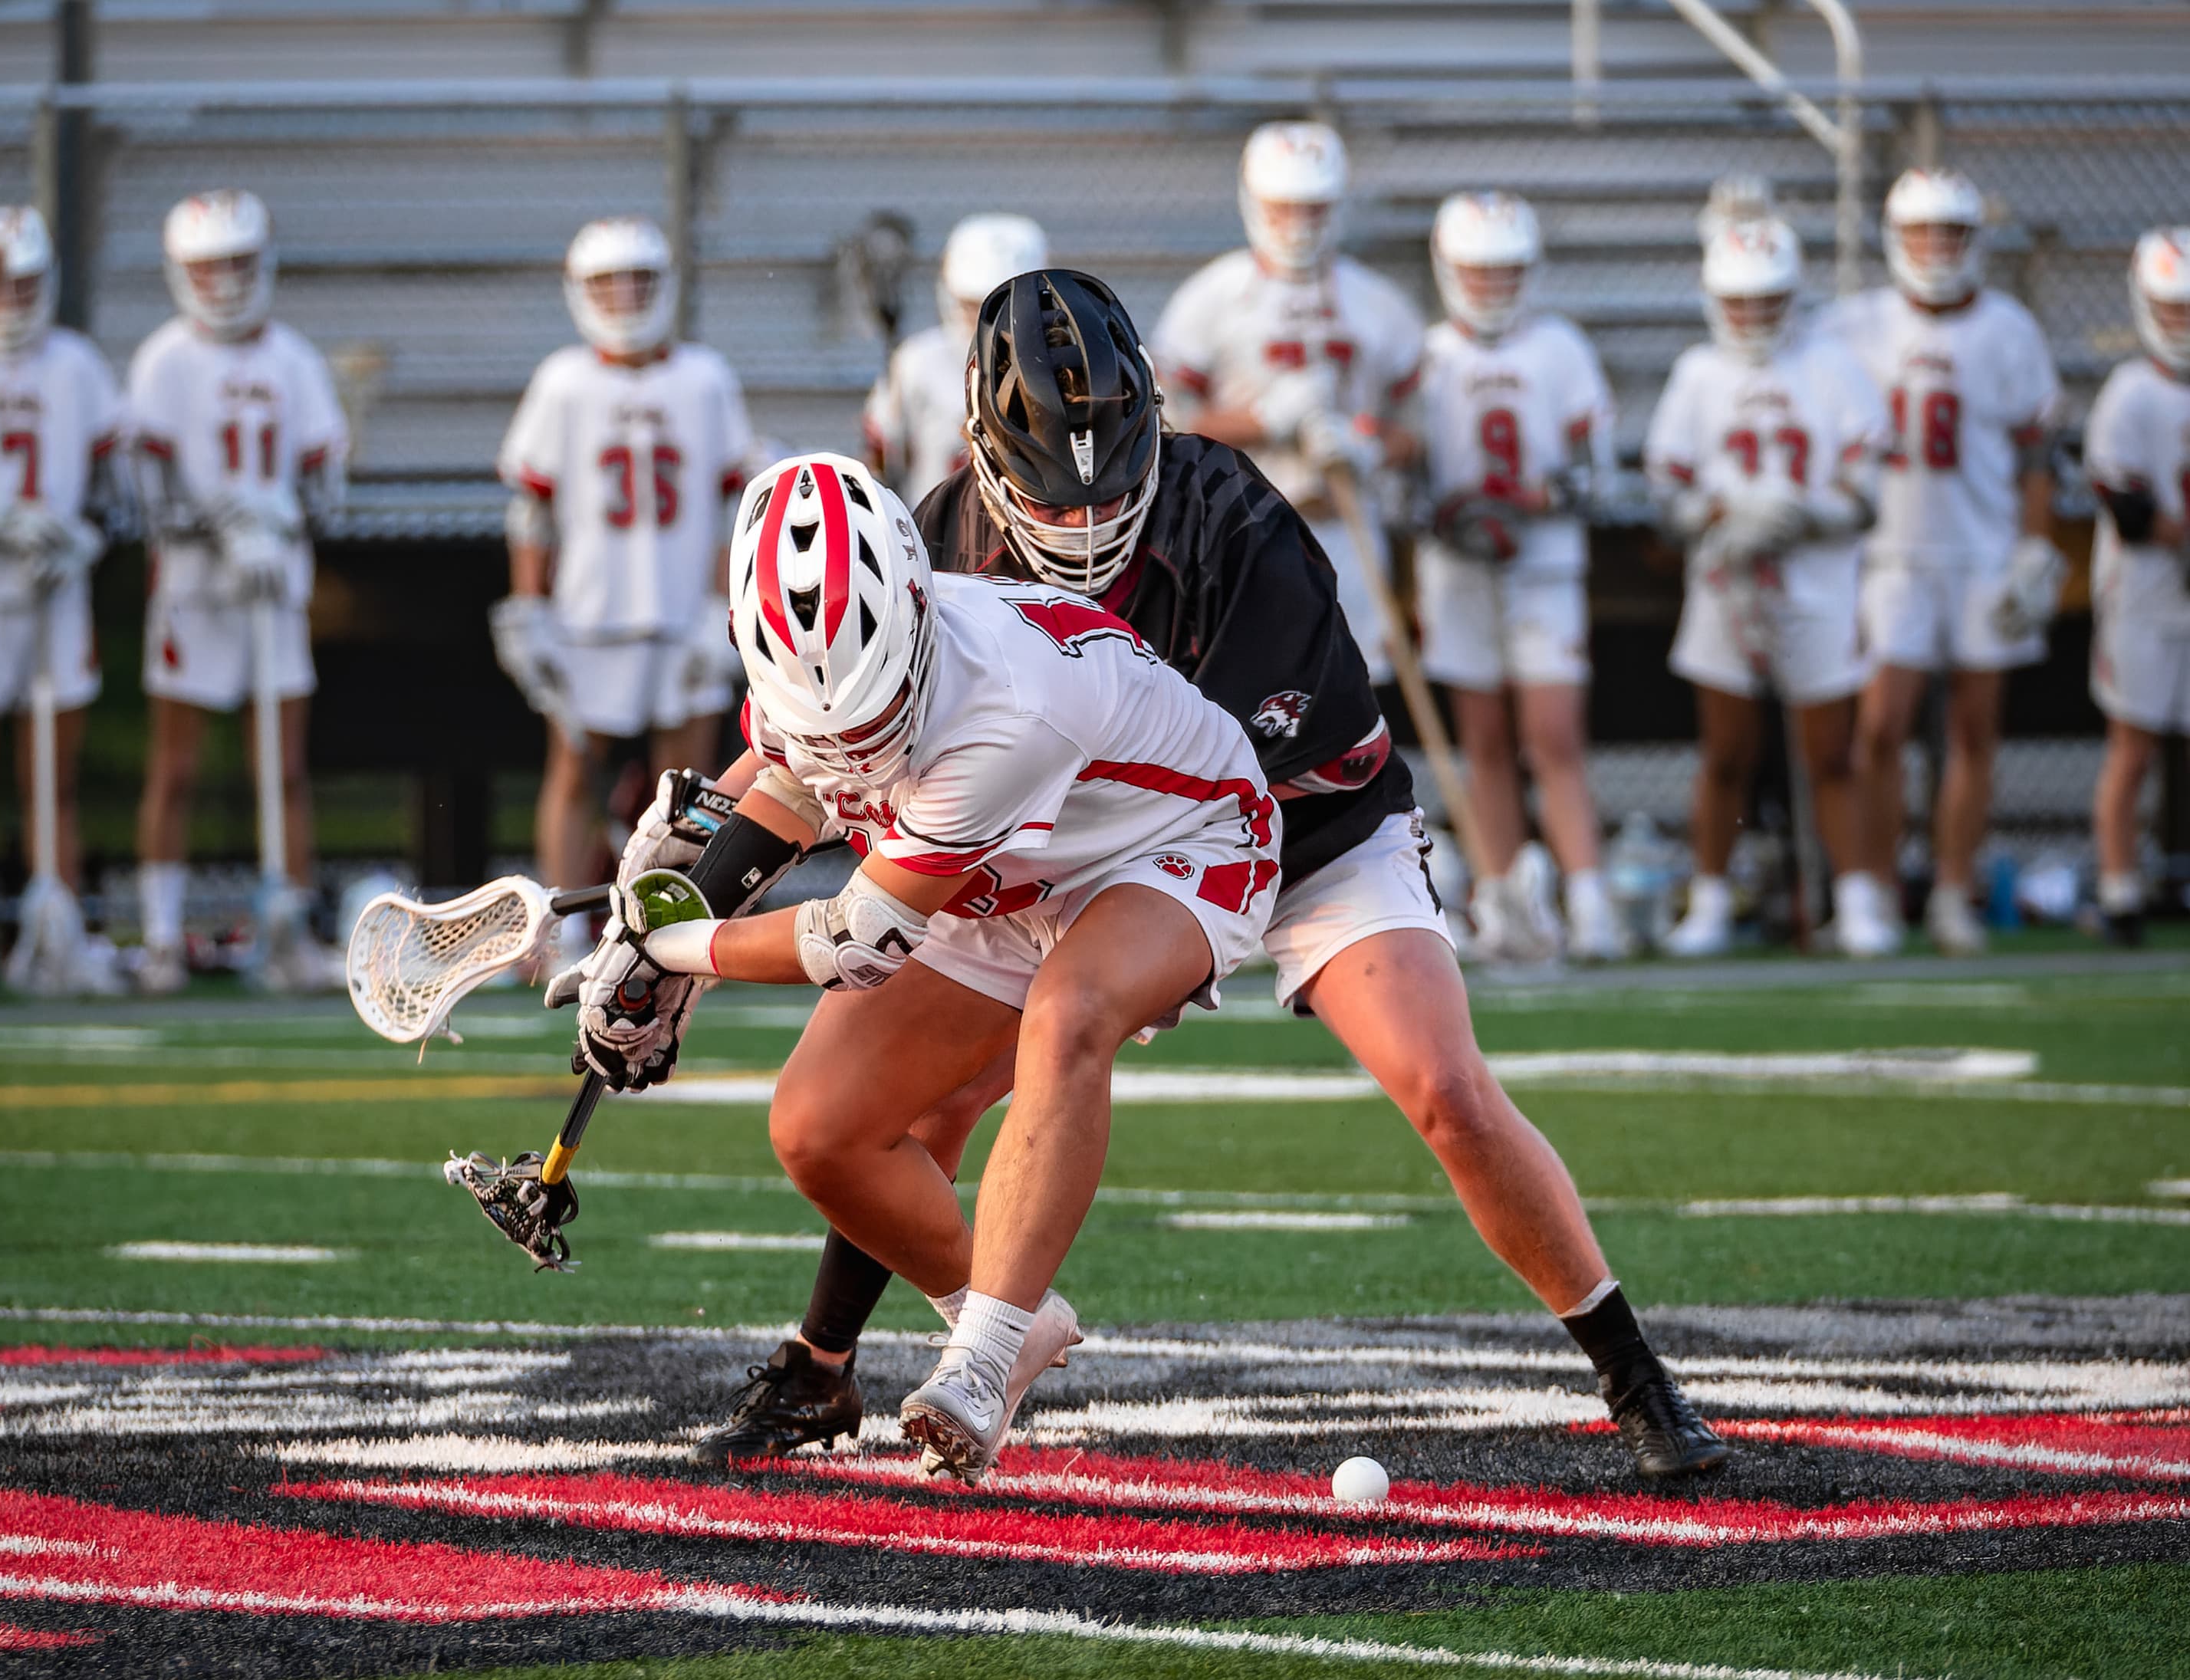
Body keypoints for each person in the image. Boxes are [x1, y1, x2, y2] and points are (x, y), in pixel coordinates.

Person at [686, 269, 1728, 1484]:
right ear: (978, 456)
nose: (1082, 525)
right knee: (916, 1101)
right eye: (1046, 495)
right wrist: (702, 863)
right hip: (1081, 839)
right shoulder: (936, 538)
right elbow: (843, 746)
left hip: (1296, 818)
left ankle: (1631, 1371)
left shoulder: (1242, 529)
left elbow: (1229, 797)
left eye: (1113, 483)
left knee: (1443, 1084)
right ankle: (825, 1362)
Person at [568, 449, 1281, 1482]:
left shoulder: (1011, 703)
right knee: (820, 1130)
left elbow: (853, 939)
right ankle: (1005, 1314)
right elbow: (796, 781)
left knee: (1068, 1012)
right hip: (1004, 865)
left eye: (878, 716)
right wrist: (678, 903)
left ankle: (984, 1362)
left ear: (914, 611)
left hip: (1174, 839)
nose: (857, 745)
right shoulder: (811, 658)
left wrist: (673, 949)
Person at [494, 217, 754, 949]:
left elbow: (729, 507)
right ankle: (550, 936)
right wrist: (528, 607)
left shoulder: (705, 377)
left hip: (681, 612)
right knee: (574, 772)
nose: (625, 296)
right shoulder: (563, 381)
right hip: (590, 612)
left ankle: (685, 931)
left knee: (695, 787)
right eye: (608, 283)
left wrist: (719, 607)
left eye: (637, 280)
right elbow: (533, 510)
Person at [1646, 217, 1902, 959]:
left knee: (1830, 749)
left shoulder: (1831, 365)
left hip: (1815, 581)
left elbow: (1865, 489)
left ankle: (1854, 899)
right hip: (1726, 579)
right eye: (1739, 301)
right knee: (1725, 750)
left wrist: (1806, 512)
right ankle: (1710, 902)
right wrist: (1721, 514)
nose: (1753, 316)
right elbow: (1666, 489)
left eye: (1766, 300)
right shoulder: (1698, 372)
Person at [1828, 168, 2064, 955]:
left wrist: (2034, 546)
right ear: (1894, 240)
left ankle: (1953, 891)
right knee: (1880, 725)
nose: (1935, 249)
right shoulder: (1853, 325)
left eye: (1949, 234)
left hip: (1982, 545)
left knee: (1972, 726)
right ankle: (1876, 889)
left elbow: (2035, 451)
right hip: (1889, 549)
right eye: (1921, 233)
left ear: (1973, 241)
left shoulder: (2007, 329)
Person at [129, 188, 347, 993]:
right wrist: (217, 523)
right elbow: (147, 492)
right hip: (194, 588)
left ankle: (288, 924)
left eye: (237, 264)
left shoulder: (292, 357)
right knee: (176, 765)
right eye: (207, 267)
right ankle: (158, 937)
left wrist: (280, 518)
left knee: (284, 768)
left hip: (272, 589)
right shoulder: (163, 359)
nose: (223, 281)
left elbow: (324, 482)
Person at [1416, 191, 1624, 962]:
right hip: (1458, 569)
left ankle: (1587, 898)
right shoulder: (1429, 354)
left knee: (1552, 735)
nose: (1490, 286)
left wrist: (1525, 501)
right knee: (1482, 740)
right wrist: (1446, 514)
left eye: (1504, 272)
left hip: (1542, 565)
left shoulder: (1559, 350)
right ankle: (1502, 898)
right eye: (1476, 271)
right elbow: (1407, 480)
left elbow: (1597, 475)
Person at [1151, 122, 1425, 685]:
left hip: (1344, 524)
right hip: (1241, 528)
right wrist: (1263, 420)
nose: (1298, 226)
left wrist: (1365, 447)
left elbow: (1417, 429)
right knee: (1253, 696)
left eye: (1312, 210)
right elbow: (1165, 428)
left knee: (1355, 701)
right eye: (1284, 209)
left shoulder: (1378, 303)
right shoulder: (1211, 299)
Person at [0, 203, 126, 995]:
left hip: (55, 592)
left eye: (25, 281)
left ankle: (61, 926)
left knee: (55, 776)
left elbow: (115, 490)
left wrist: (83, 537)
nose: (13, 296)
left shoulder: (76, 363)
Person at [2082, 227, 2190, 947]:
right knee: (2134, 744)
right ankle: (2120, 886)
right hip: (2143, 592)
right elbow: (2129, 510)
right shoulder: (2128, 394)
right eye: (2171, 308)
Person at [862, 212, 1048, 505]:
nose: (983, 324)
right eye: (972, 306)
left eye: (1000, 308)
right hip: (935, 529)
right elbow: (884, 457)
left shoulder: (1055, 365)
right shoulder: (918, 360)